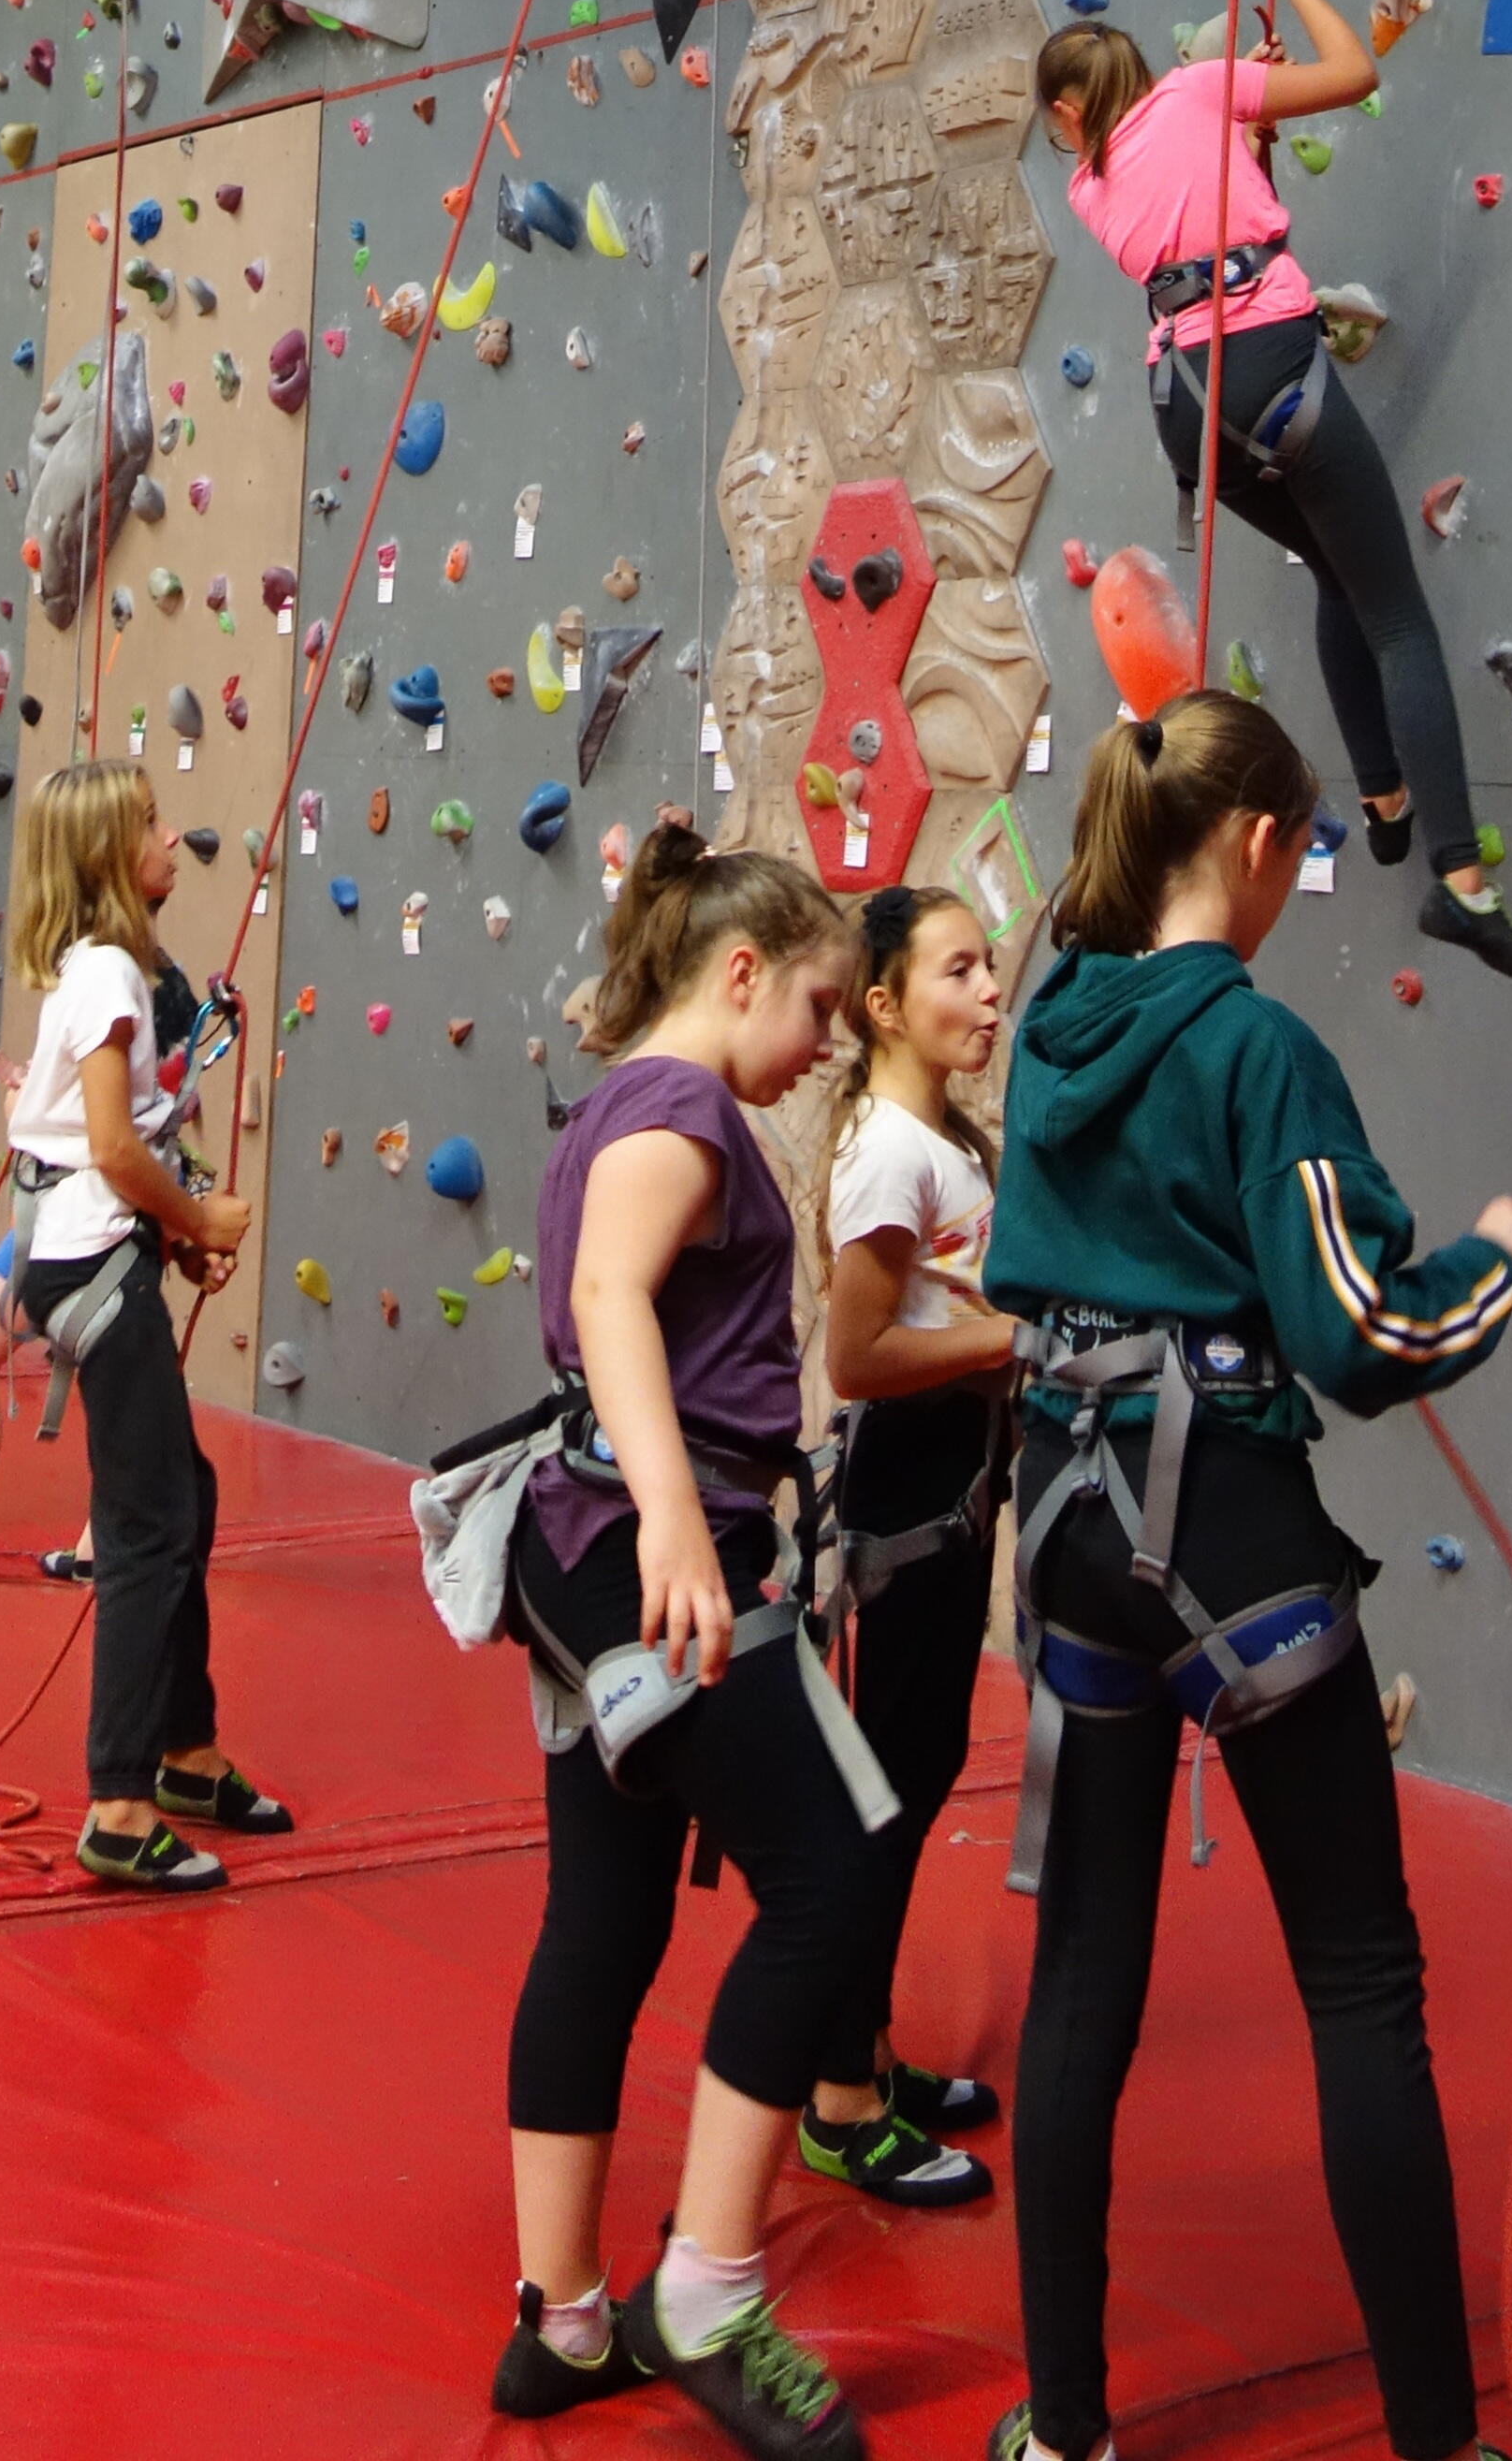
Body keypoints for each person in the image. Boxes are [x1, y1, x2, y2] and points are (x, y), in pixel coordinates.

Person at [980, 690, 1512, 2461]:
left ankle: (1063, 2430)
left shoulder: (1053, 1019)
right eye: (1298, 851)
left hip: (1068, 1518)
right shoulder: (1253, 1046)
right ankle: (1436, 2442)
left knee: (1082, 1976)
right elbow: (1354, 1331)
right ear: (1249, 843)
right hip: (1224, 1525)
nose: (1296, 884)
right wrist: (1491, 1268)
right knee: (1359, 1979)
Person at [494, 821, 887, 2461]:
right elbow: (608, 1298)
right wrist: (669, 1513)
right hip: (644, 1546)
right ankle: (708, 2293)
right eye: (819, 1007)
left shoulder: (618, 1102)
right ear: (740, 971)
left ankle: (563, 2319)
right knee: (834, 1874)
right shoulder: (682, 1112)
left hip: (586, 1544)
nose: (825, 1046)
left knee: (604, 1914)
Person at [1037, 0, 1512, 983]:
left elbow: (1205, 208)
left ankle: (1387, 799)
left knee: (1331, 568)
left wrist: (1247, 134)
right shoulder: (1194, 90)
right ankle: (1460, 881)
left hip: (1186, 402)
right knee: (1396, 614)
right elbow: (1355, 72)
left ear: (1071, 115)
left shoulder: (1089, 186)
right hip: (1271, 365)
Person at [0, 765, 286, 1879]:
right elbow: (109, 1146)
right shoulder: (109, 972)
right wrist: (197, 1216)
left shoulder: (106, 968)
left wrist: (179, 1234)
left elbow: (107, 1141)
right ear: (110, 853)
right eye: (151, 823)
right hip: (96, 1266)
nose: (171, 838)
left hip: (86, 1256)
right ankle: (119, 1804)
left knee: (181, 1494)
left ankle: (187, 1752)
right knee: (148, 1529)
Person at [810, 881, 1019, 2214]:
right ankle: (839, 2094)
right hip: (915, 1476)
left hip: (954, 1471)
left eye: (989, 966)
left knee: (917, 1765)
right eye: (958, 970)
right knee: (887, 1786)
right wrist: (1019, 1338)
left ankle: (870, 2051)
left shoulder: (938, 1139)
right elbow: (859, 1355)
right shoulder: (890, 1153)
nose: (989, 991)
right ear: (884, 1004)